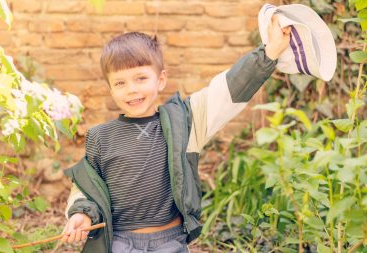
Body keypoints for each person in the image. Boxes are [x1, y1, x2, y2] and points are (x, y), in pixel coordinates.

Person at [60, 15, 291, 253]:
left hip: (170, 243)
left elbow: (226, 90)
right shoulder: (100, 137)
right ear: (110, 88)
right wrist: (81, 213)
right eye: (120, 83)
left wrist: (270, 51)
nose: (132, 89)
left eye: (141, 78)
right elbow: (87, 187)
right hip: (120, 243)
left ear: (161, 80)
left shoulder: (184, 122)